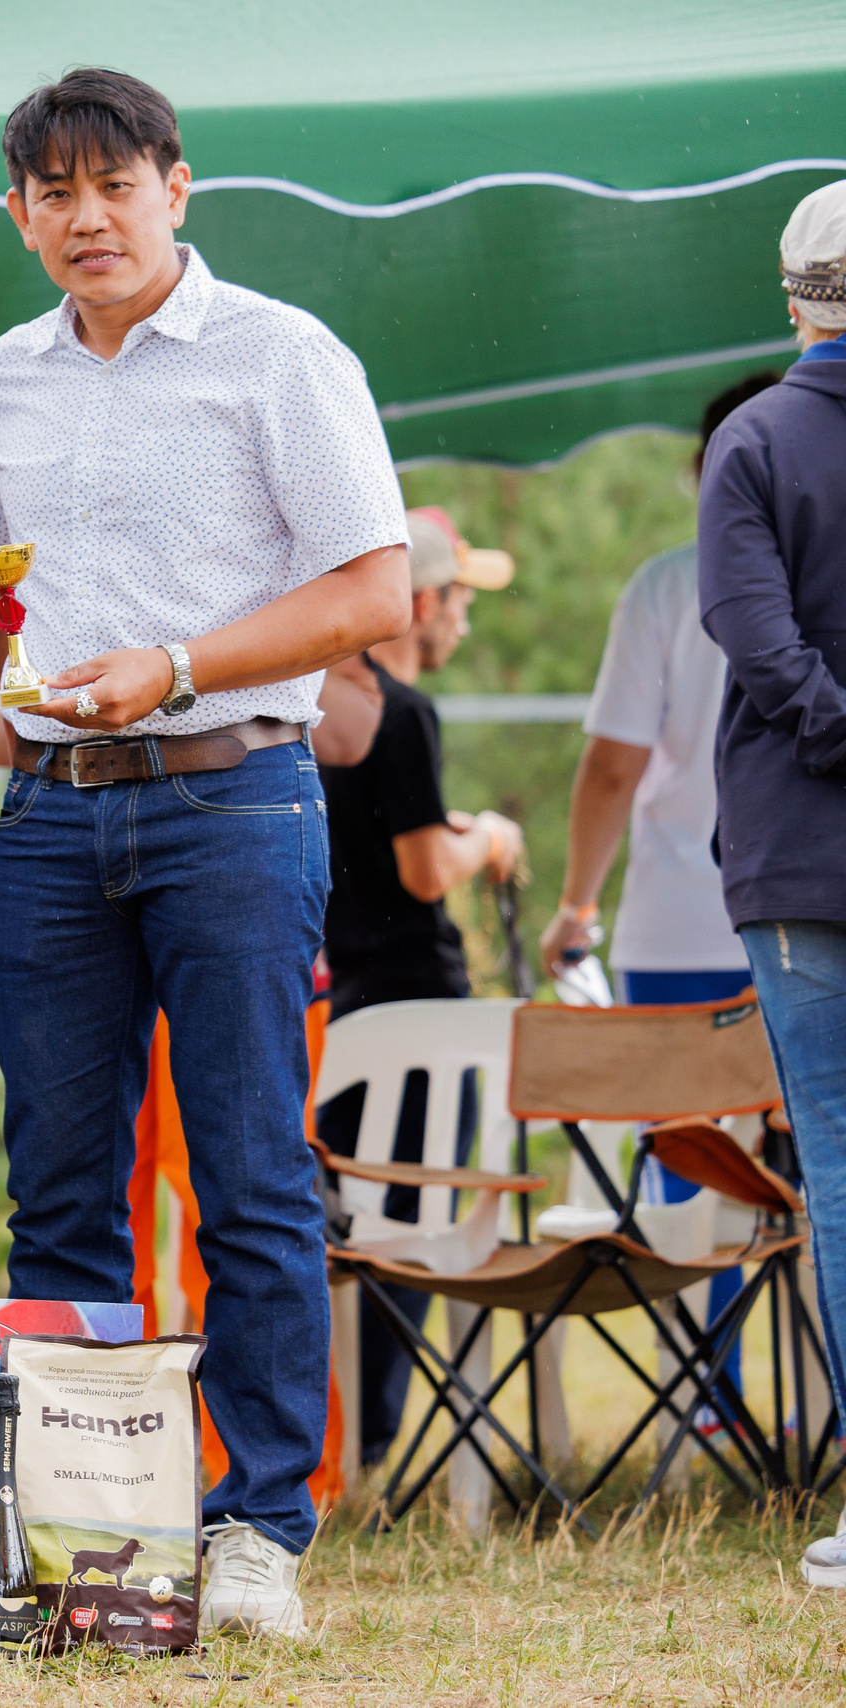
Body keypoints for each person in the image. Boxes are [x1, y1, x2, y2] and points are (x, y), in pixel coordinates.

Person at [0, 69, 412, 1638]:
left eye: (115, 185)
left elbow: (375, 590)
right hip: (50, 810)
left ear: (177, 185)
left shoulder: (279, 353)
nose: (88, 218)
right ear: (20, 217)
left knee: (247, 1179)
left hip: (234, 798)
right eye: (53, 194)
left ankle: (257, 1530)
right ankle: (97, 1534)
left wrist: (175, 664)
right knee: (59, 1189)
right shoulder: (7, 371)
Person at [540, 374, 781, 1426]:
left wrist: (574, 906)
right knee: (814, 1171)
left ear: (704, 471)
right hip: (807, 915)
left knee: (691, 1175)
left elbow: (608, 770)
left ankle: (708, 1396)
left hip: (681, 923)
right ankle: (822, 1400)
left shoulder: (665, 586)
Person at [696, 179, 846, 1592]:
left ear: (791, 296)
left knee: (845, 1174)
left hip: (805, 859)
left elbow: (758, 643)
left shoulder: (749, 441)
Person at [313, 506, 522, 1468]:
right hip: (425, 1014)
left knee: (351, 1232)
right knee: (419, 1230)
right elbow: (427, 870)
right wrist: (491, 837)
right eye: (463, 603)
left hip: (338, 1009)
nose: (465, 624)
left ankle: (346, 1435)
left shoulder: (308, 712)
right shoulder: (404, 716)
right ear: (423, 601)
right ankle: (383, 1434)